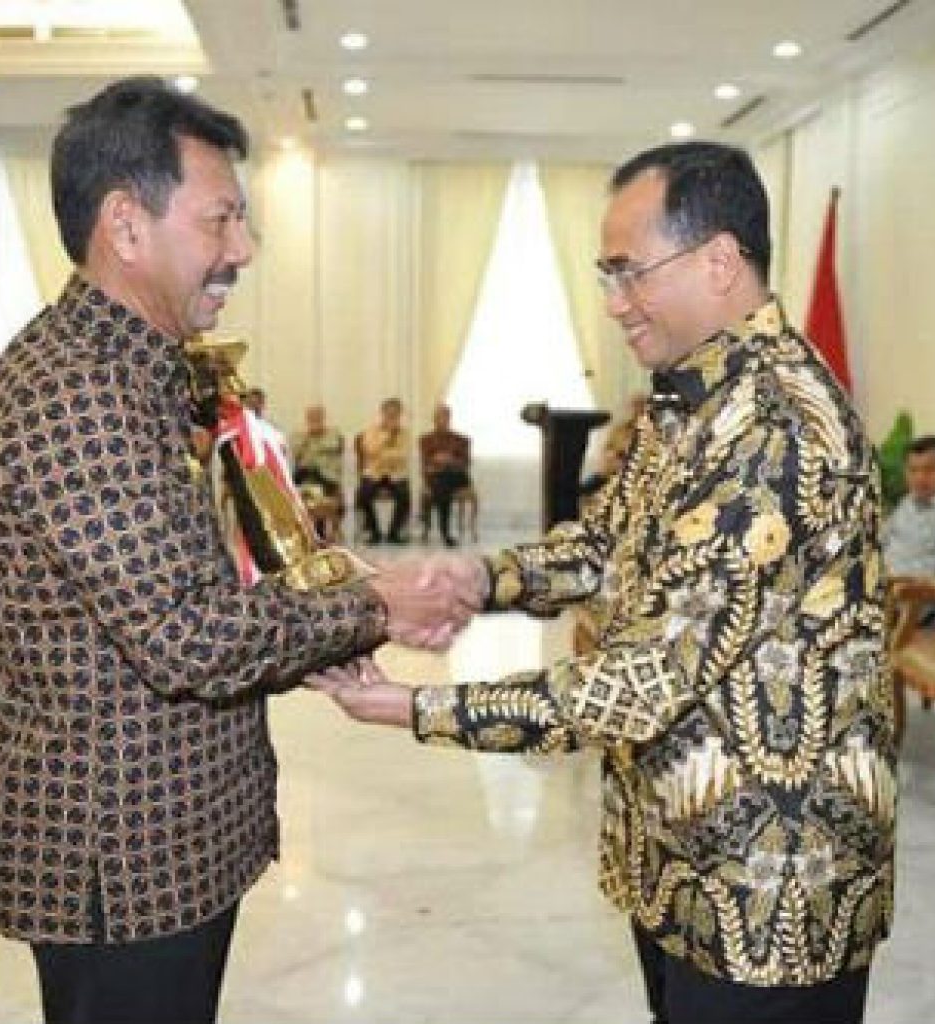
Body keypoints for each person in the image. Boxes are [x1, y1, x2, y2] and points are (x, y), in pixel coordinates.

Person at [313, 142, 893, 1024]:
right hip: (681, 857)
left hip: (769, 889)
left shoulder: (774, 427)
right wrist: (476, 576)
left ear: (720, 260)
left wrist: (414, 707)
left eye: (631, 272)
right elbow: (605, 548)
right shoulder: (693, 397)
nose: (615, 302)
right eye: (606, 275)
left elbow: (642, 683)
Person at [0, 76, 470, 1024]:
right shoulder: (79, 392)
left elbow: (173, 587)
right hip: (119, 861)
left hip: (166, 840)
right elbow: (187, 635)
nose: (242, 249)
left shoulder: (132, 373)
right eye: (220, 219)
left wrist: (322, 624)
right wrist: (376, 607)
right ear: (126, 225)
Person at [883, 435, 935, 577]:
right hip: (882, 580)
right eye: (913, 470)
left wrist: (892, 573)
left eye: (929, 470)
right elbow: (883, 540)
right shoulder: (906, 503)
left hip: (916, 586)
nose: (920, 477)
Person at [356, 397, 411, 544]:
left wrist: (382, 455)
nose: (392, 417)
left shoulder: (405, 433)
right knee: (363, 495)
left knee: (404, 497)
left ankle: (394, 532)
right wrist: (387, 437)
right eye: (389, 414)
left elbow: (402, 456)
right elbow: (369, 450)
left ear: (400, 415)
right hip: (374, 473)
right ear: (383, 413)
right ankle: (374, 532)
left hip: (396, 474)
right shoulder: (371, 430)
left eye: (395, 414)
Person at [419, 402, 471, 546]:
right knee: (441, 483)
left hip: (457, 476)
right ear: (434, 419)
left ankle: (436, 524)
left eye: (445, 417)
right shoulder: (426, 439)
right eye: (439, 417)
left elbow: (465, 462)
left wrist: (450, 460)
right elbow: (426, 461)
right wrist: (437, 461)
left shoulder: (461, 440)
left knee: (442, 481)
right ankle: (445, 533)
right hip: (436, 476)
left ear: (449, 419)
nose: (442, 420)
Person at [291, 404, 345, 539]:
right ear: (307, 418)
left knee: (324, 497)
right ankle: (311, 532)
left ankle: (322, 532)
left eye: (318, 417)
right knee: (305, 494)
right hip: (305, 476)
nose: (315, 420)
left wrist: (316, 441)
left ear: (323, 417)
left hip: (327, 476)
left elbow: (335, 448)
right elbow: (296, 453)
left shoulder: (334, 433)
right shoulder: (298, 435)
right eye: (311, 417)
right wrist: (308, 438)